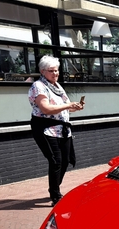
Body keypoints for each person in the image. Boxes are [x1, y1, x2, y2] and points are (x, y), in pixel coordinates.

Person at [28, 55, 84, 206]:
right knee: (55, 161)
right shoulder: (38, 86)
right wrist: (67, 105)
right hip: (46, 128)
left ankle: (54, 186)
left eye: (57, 70)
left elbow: (63, 108)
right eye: (51, 71)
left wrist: (75, 107)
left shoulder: (57, 86)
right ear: (42, 71)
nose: (55, 74)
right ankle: (55, 195)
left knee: (65, 160)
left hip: (61, 128)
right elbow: (46, 108)